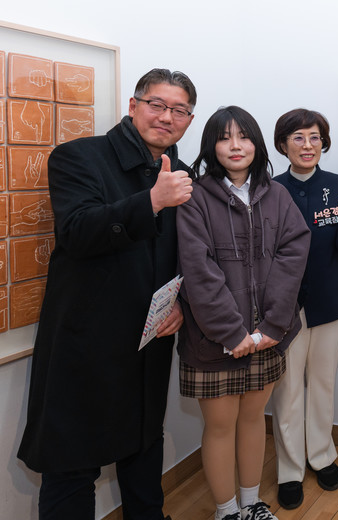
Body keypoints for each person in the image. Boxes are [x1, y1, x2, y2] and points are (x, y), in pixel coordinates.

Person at [17, 68, 197, 520]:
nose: (167, 117)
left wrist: (181, 302)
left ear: (189, 120)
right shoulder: (78, 156)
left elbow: (190, 253)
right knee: (72, 461)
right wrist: (152, 201)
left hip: (149, 337)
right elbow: (77, 232)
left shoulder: (182, 173)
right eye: (157, 105)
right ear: (133, 106)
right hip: (87, 340)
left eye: (179, 110)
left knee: (144, 445)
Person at [176, 106, 310, 520]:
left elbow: (292, 257)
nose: (235, 146)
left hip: (267, 336)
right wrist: (231, 333)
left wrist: (272, 326)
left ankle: (251, 504)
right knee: (220, 427)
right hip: (213, 339)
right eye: (224, 138)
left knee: (254, 420)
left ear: (257, 143)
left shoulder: (277, 194)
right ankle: (226, 510)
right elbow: (197, 271)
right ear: (211, 146)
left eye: (244, 136)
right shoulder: (195, 197)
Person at [270, 108, 338, 510]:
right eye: (298, 138)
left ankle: (322, 456)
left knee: (322, 383)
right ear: (283, 145)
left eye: (315, 137)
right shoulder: (270, 189)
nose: (308, 145)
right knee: (288, 388)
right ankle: (290, 469)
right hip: (285, 307)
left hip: (332, 301)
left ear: (323, 143)